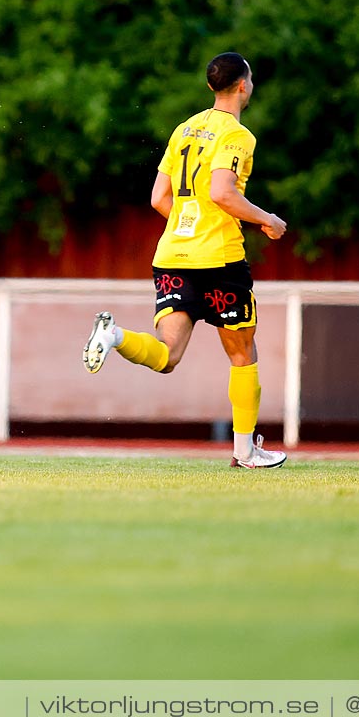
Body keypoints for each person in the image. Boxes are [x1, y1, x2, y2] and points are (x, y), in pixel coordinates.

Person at [81, 52, 289, 469]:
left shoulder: (185, 129)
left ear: (212, 86)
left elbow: (159, 198)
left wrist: (187, 225)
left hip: (172, 254)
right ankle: (246, 451)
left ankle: (115, 336)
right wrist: (267, 220)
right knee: (243, 354)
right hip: (219, 260)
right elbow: (222, 193)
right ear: (243, 86)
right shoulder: (238, 135)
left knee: (167, 355)